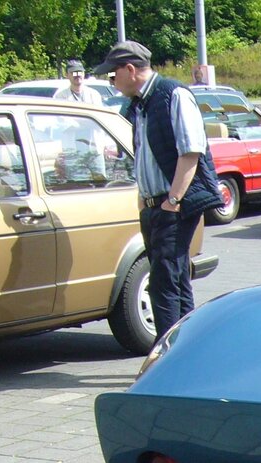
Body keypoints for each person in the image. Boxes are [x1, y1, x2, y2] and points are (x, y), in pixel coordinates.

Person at [93, 40, 221, 341]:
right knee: (175, 281)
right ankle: (186, 349)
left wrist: (173, 200)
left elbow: (191, 152)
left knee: (163, 285)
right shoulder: (139, 104)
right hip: (155, 206)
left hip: (175, 204)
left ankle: (167, 355)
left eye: (113, 74)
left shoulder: (173, 94)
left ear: (130, 69)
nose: (111, 82)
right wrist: (145, 200)